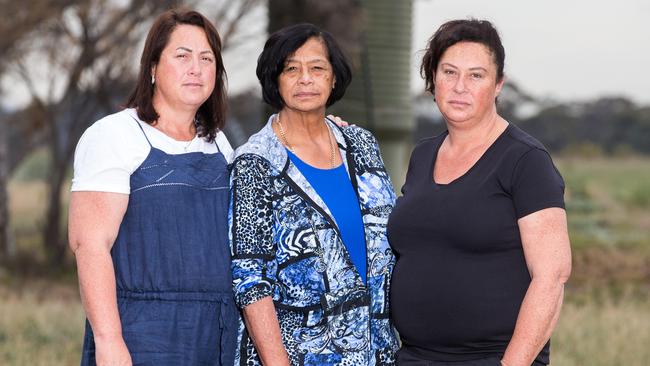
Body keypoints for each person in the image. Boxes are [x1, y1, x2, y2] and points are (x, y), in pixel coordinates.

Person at [387, 19, 572, 366]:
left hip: (493, 359)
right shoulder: (423, 154)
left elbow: (552, 277)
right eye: (449, 72)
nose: (460, 87)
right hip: (413, 357)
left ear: (498, 84)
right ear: (433, 80)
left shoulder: (525, 160)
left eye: (476, 75)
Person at [68, 8, 238, 365]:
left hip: (215, 335)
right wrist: (109, 341)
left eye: (207, 58)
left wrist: (323, 129)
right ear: (152, 68)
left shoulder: (221, 145)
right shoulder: (114, 135)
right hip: (142, 334)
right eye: (182, 56)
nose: (196, 68)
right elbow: (90, 245)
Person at [229, 23, 399, 365]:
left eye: (317, 67)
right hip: (299, 355)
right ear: (275, 80)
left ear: (334, 77)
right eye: (291, 68)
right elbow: (250, 280)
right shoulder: (255, 164)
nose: (305, 79)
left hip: (377, 351)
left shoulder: (361, 145)